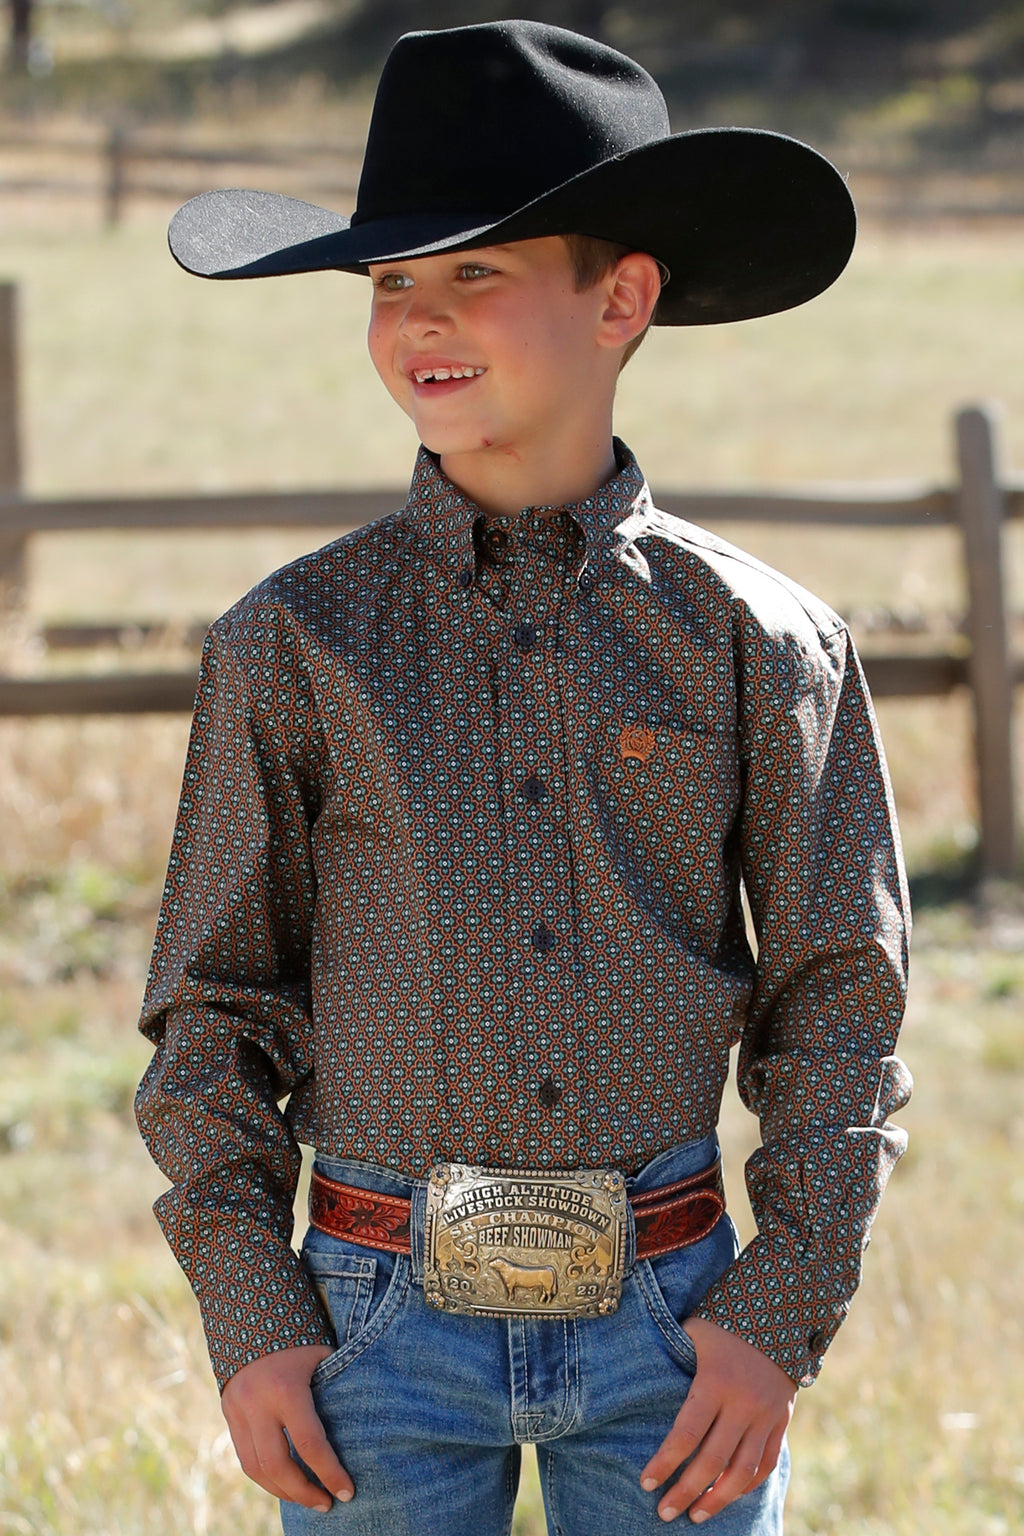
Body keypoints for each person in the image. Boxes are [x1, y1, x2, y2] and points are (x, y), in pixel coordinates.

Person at [136, 19, 912, 1536]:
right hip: (370, 1325)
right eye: (389, 282)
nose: (419, 316)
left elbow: (839, 997)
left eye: (474, 273)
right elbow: (214, 1005)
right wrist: (253, 1316)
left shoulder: (763, 641)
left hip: (677, 1331)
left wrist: (777, 1312)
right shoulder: (292, 642)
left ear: (621, 298)